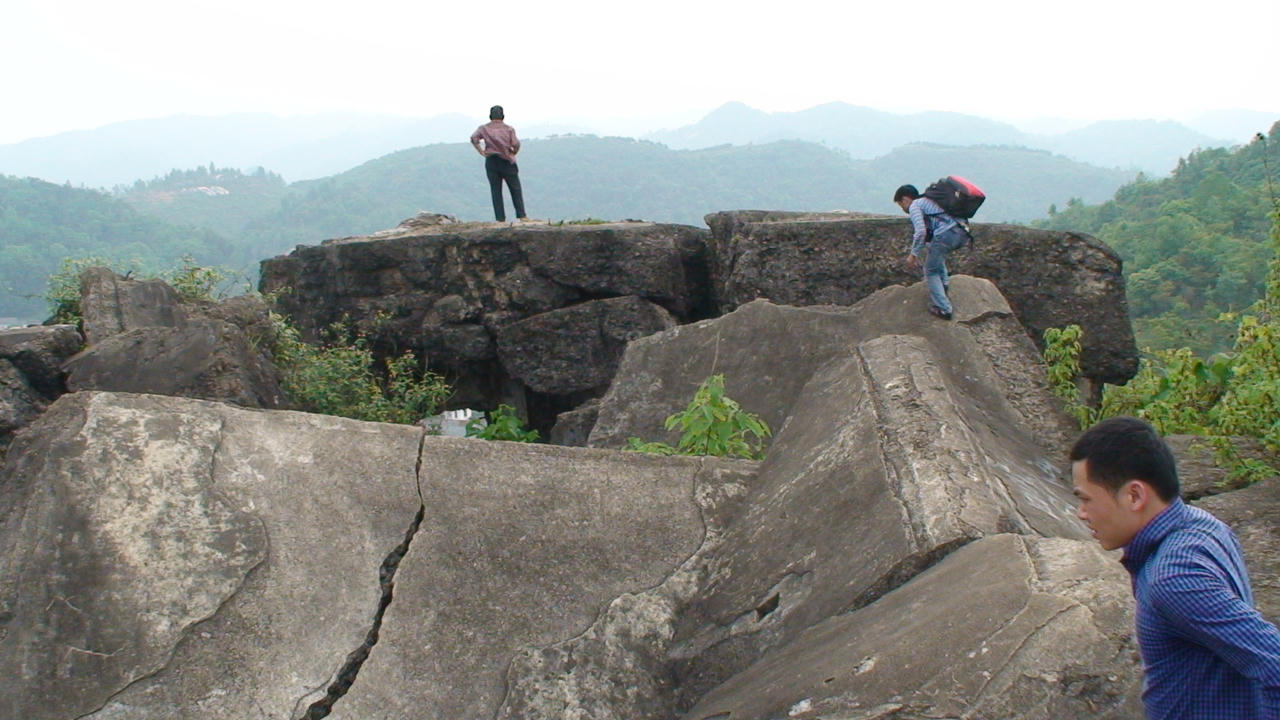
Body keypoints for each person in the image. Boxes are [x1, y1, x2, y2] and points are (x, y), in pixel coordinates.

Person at [1069, 416, 1280, 719]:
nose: (1081, 513)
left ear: (1134, 495)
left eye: (1086, 500)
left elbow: (1274, 663)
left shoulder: (1174, 578)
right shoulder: (1204, 525)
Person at [893, 184, 968, 320]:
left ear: (905, 200)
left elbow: (920, 232)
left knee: (930, 270)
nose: (903, 208)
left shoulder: (915, 205)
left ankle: (944, 309)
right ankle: (944, 287)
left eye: (900, 204)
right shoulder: (929, 201)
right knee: (936, 259)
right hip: (961, 233)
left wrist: (913, 254)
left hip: (947, 233)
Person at [470, 105, 526, 222]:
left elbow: (474, 139)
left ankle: (500, 219)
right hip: (507, 161)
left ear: (490, 116)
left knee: (496, 190)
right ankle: (521, 216)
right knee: (515, 188)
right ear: (503, 116)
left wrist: (482, 152)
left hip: (491, 160)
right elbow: (516, 144)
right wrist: (513, 153)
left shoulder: (483, 129)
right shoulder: (509, 129)